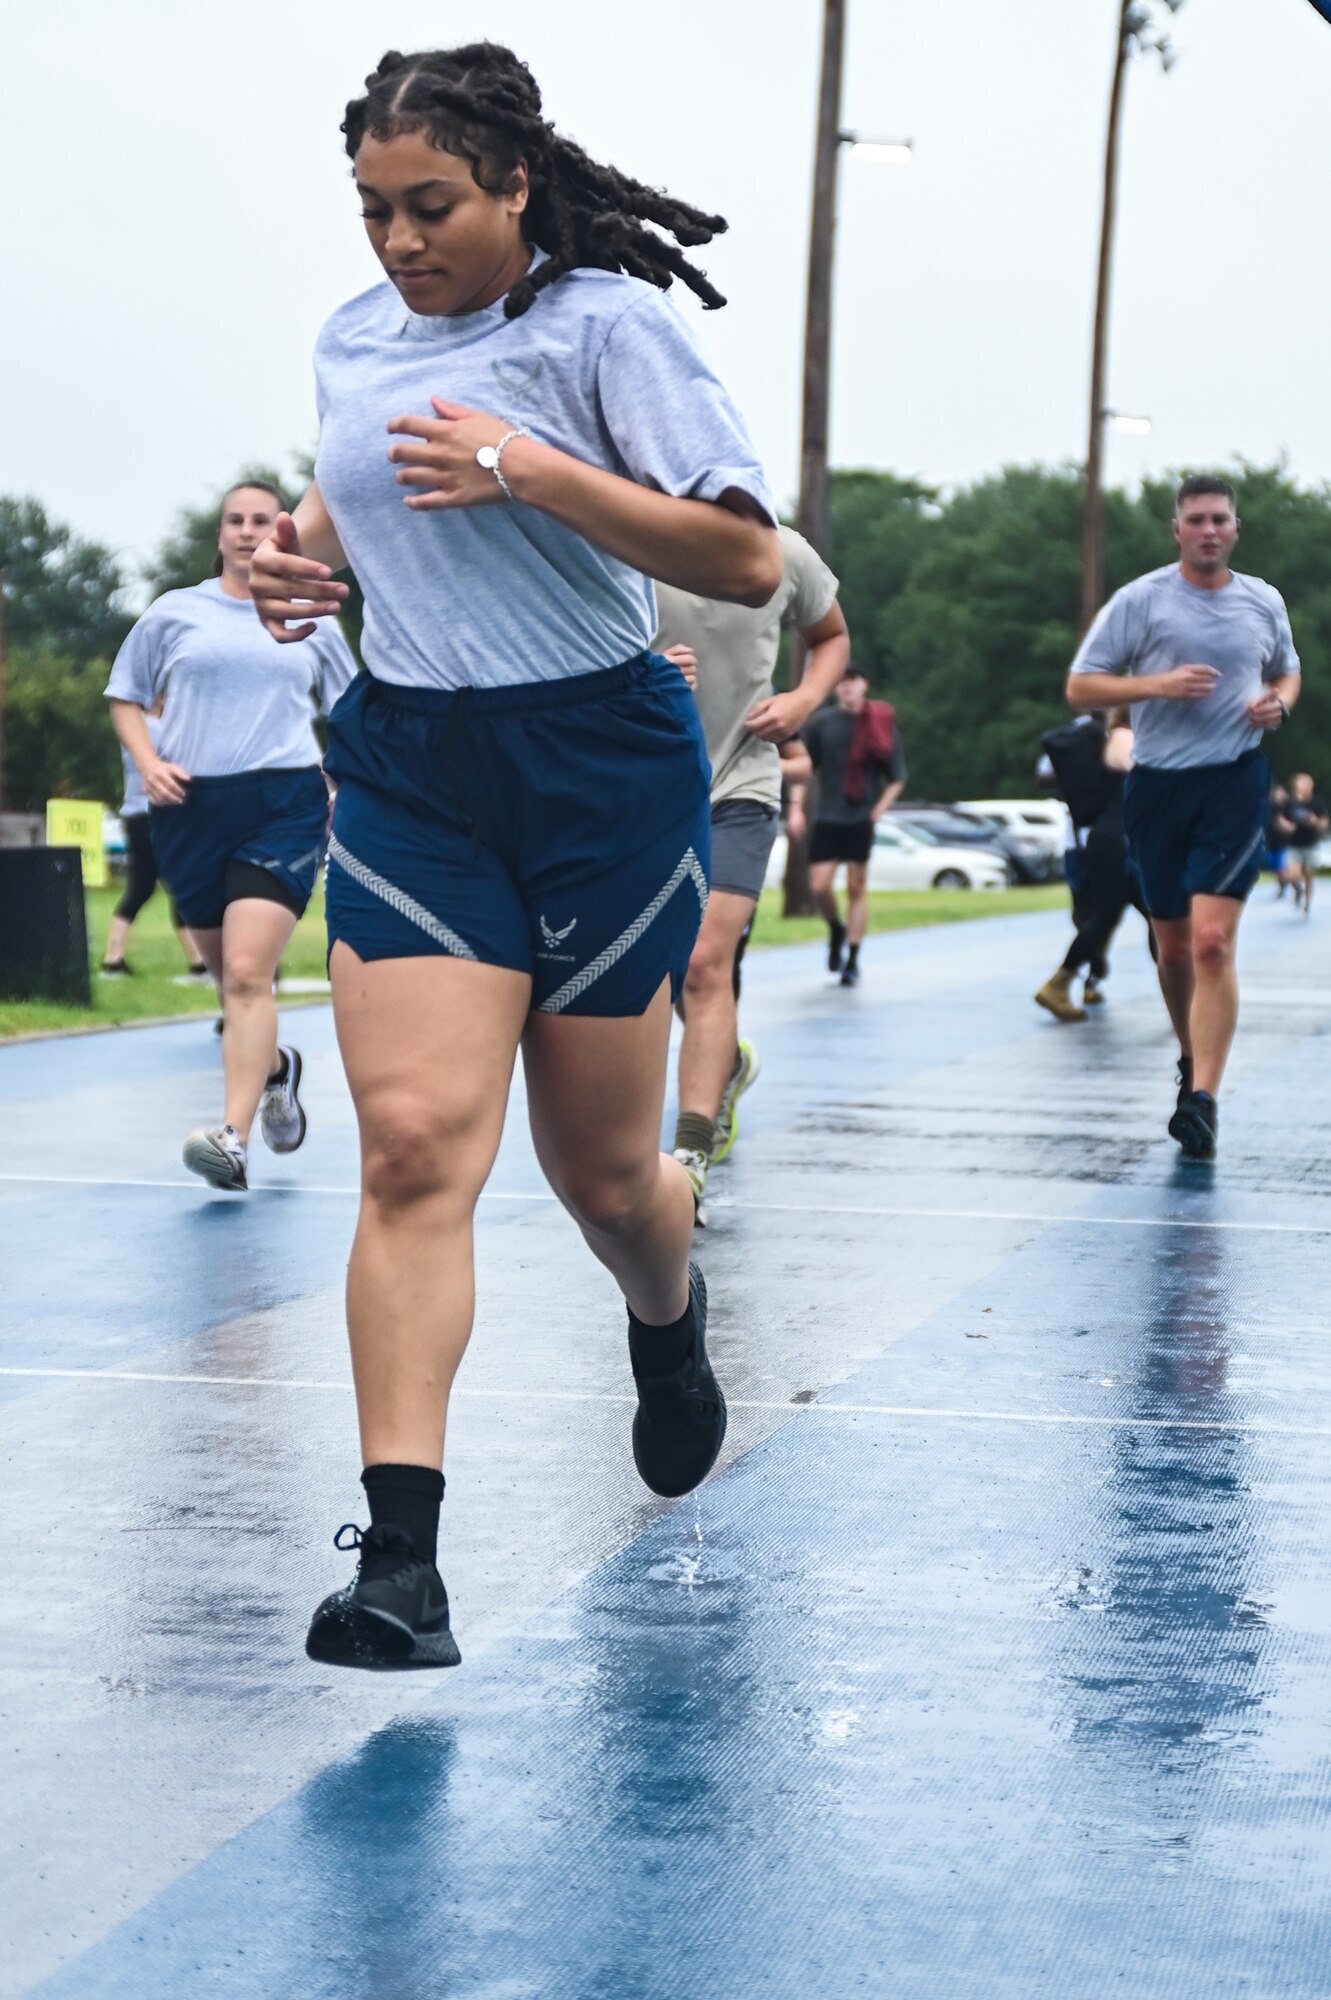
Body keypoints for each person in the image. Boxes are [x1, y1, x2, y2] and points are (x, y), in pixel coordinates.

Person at [247, 43, 781, 1671]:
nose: (400, 243)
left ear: (513, 187)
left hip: (601, 763)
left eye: (431, 207)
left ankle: (665, 1321)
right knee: (411, 1144)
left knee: (606, 1179)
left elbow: (746, 553)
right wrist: (303, 564)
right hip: (416, 762)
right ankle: (399, 1563)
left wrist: (530, 468)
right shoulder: (349, 341)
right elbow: (362, 496)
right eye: (373, 211)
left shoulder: (604, 331)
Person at [105, 481, 358, 1189]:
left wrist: (346, 789)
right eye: (235, 521)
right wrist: (149, 765)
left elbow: (352, 712)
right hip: (189, 809)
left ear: (282, 530)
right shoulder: (174, 613)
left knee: (249, 974)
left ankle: (232, 1139)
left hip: (282, 801)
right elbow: (125, 696)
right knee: (232, 987)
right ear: (220, 535)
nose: (248, 531)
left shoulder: (313, 615)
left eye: (261, 520)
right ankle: (276, 1069)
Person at [1066, 473, 1300, 1159]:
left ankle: (1202, 1096)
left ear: (1234, 528)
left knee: (1209, 945)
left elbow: (1287, 670)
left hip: (1232, 782)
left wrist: (1278, 702)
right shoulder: (1139, 602)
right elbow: (1081, 687)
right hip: (1156, 787)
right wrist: (1154, 685)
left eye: (1218, 519)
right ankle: (1187, 1058)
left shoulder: (1262, 601)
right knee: (1170, 949)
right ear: (1177, 530)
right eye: (1195, 518)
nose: (1207, 529)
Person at [654, 526, 850, 1219]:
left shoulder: (782, 551)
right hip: (639, 784)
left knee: (706, 962)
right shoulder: (618, 535)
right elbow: (559, 650)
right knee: (659, 967)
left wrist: (801, 701)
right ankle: (727, 1064)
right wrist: (635, 671)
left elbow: (830, 637)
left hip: (740, 784)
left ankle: (689, 1156)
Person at [795, 666, 906, 986]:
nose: (847, 687)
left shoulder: (879, 722)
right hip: (828, 814)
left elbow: (897, 776)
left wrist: (879, 808)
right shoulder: (822, 723)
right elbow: (803, 767)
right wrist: (796, 809)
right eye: (841, 682)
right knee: (819, 886)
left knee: (857, 886)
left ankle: (853, 958)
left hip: (860, 816)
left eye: (853, 681)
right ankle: (835, 927)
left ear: (864, 684)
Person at [1034, 715, 1143, 1021]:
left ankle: (1065, 981)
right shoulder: (1125, 737)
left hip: (1107, 839)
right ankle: (1064, 981)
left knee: (1106, 918)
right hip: (1120, 842)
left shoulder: (1107, 736)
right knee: (1154, 919)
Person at [101, 705, 207, 979]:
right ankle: (199, 964)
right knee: (180, 884)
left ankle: (113, 958)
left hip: (135, 813)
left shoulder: (136, 727)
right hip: (157, 815)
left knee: (141, 887)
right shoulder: (157, 728)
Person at [1280, 772, 1328, 914]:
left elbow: (1324, 823)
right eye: (1303, 782)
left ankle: (1307, 903)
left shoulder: (1316, 803)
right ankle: (1298, 889)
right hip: (1294, 845)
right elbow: (1281, 819)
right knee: (1291, 875)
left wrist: (1316, 821)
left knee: (1308, 874)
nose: (1306, 785)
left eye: (1309, 783)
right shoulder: (1289, 802)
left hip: (1311, 845)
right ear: (1296, 785)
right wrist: (1286, 825)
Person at [1265, 783, 1294, 896]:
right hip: (1272, 841)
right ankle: (1283, 885)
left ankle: (1293, 885)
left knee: (1282, 866)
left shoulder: (1288, 807)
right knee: (1275, 867)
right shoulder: (1270, 807)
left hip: (1285, 842)